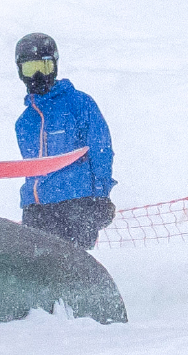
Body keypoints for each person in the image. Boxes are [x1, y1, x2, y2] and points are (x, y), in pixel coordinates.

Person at [13, 33, 116, 249]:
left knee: (70, 267)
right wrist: (31, 205)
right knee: (40, 270)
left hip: (75, 205)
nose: (38, 76)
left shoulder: (79, 104)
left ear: (56, 66)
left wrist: (100, 197)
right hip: (38, 209)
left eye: (45, 67)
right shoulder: (24, 123)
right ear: (20, 71)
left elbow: (101, 151)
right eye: (30, 69)